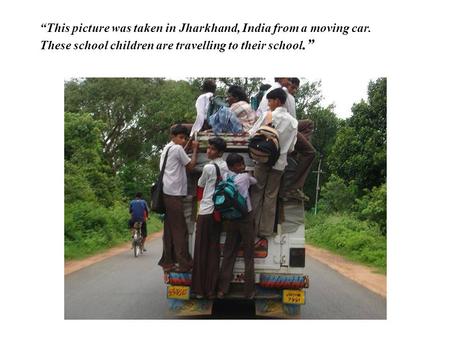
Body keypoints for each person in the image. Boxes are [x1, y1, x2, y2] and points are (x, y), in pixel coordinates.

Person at [249, 88, 298, 237]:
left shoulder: (268, 116)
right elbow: (291, 148)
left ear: (277, 101)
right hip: (279, 164)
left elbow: (252, 134)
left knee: (257, 192)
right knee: (271, 196)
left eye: (270, 101)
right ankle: (265, 231)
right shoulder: (293, 122)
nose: (268, 104)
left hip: (263, 161)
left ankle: (252, 228)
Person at [157, 124, 199, 272]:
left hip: (167, 192)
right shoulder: (177, 149)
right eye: (180, 138)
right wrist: (194, 149)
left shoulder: (168, 148)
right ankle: (184, 263)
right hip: (174, 194)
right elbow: (191, 166)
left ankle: (168, 261)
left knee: (169, 230)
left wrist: (187, 144)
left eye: (184, 138)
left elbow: (181, 152)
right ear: (173, 137)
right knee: (180, 230)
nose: (182, 141)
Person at [191, 137, 228, 299]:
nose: (208, 151)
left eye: (212, 149)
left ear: (219, 152)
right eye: (208, 148)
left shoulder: (208, 167)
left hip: (206, 212)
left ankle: (199, 290)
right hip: (218, 213)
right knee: (213, 252)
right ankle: (211, 289)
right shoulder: (225, 166)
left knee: (201, 251)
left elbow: (200, 184)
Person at [217, 153, 257, 299]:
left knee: (228, 254)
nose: (242, 166)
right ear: (234, 166)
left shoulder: (226, 177)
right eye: (240, 164)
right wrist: (250, 172)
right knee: (248, 255)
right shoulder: (245, 177)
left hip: (231, 218)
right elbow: (256, 181)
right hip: (246, 218)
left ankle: (222, 289)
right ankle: (249, 291)